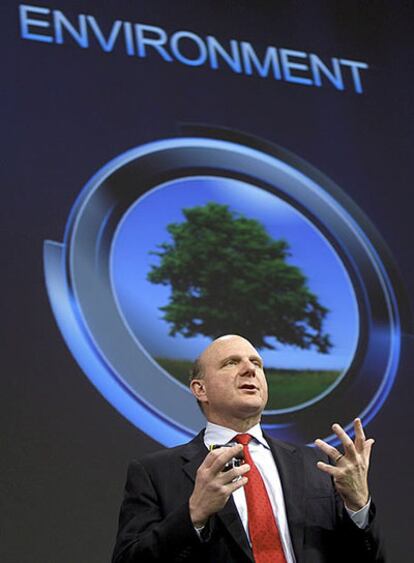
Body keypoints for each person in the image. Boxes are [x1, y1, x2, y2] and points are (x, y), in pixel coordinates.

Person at [112, 335, 385, 562]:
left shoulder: (316, 464)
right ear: (200, 389)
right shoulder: (155, 473)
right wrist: (193, 514)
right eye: (231, 363)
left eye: (256, 363)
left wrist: (359, 506)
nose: (249, 369)